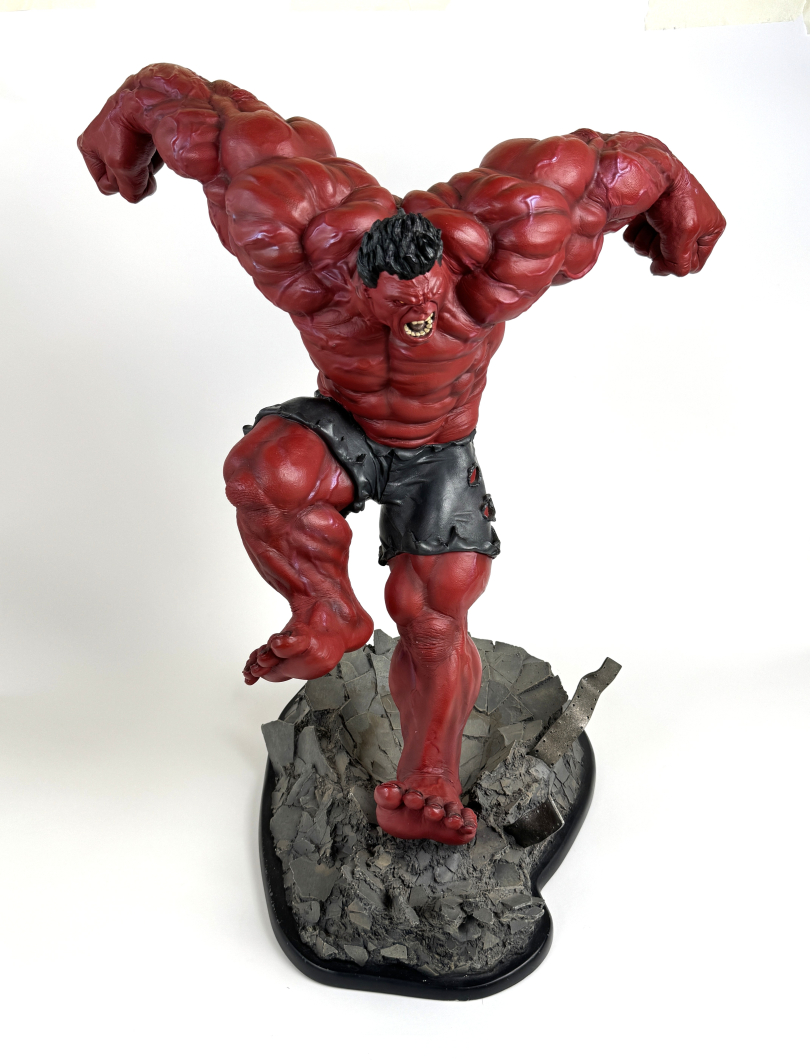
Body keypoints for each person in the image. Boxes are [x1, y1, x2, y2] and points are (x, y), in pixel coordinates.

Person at [79, 63, 725, 844]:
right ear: (355, 282)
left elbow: (599, 164)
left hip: (439, 450)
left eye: (431, 301)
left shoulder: (501, 253)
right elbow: (215, 123)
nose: (420, 320)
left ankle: (429, 775)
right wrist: (130, 107)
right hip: (346, 426)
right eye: (399, 307)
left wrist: (677, 186)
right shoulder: (300, 254)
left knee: (433, 620)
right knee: (262, 470)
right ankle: (325, 611)